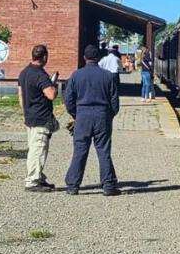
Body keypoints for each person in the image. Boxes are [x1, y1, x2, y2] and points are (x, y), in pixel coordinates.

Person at [64, 44, 121, 196]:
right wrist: (109, 115)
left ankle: (73, 185)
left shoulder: (76, 75)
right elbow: (115, 101)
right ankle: (108, 185)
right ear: (98, 58)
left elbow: (68, 98)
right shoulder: (108, 75)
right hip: (102, 114)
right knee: (103, 150)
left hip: (82, 114)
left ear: (84, 58)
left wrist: (74, 114)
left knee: (80, 150)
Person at [17, 44, 59, 193]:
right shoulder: (41, 75)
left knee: (34, 148)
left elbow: (20, 95)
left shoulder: (24, 73)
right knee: (38, 149)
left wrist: (24, 113)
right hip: (41, 117)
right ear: (45, 57)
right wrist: (54, 87)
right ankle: (32, 181)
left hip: (30, 116)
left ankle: (39, 176)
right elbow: (51, 95)